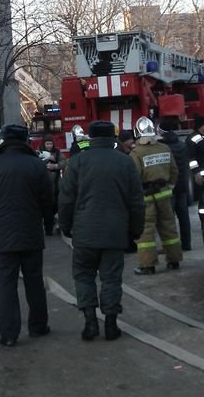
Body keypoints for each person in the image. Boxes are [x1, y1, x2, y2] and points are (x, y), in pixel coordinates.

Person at [58, 120, 145, 341]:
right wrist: (136, 230)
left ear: (91, 137)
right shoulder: (125, 162)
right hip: (115, 232)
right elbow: (136, 201)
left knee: (84, 276)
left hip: (84, 232)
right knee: (111, 278)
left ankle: (89, 323)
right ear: (113, 137)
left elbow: (66, 199)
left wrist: (66, 225)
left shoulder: (78, 162)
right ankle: (111, 324)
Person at [0, 124, 54, 347]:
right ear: (25, 140)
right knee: (34, 280)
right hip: (31, 232)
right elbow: (48, 199)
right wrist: (45, 221)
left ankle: (9, 334)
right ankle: (38, 326)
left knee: (7, 285)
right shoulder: (36, 165)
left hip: (3, 235)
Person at [130, 116, 182, 275]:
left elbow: (134, 177)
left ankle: (147, 265)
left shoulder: (136, 153)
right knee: (169, 228)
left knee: (146, 231)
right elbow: (174, 170)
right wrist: (171, 185)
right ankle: (174, 260)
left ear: (137, 134)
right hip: (164, 194)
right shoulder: (164, 148)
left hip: (146, 197)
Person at [157, 116, 191, 252]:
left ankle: (170, 247)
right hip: (182, 186)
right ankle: (186, 244)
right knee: (184, 216)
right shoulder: (182, 145)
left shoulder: (163, 147)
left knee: (167, 219)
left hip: (167, 187)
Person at [38, 134, 66, 236]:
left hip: (56, 185)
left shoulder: (57, 153)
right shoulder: (39, 153)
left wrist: (55, 166)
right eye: (47, 143)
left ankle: (58, 225)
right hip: (44, 187)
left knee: (57, 206)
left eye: (50, 143)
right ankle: (48, 229)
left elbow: (64, 162)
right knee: (47, 209)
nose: (49, 146)